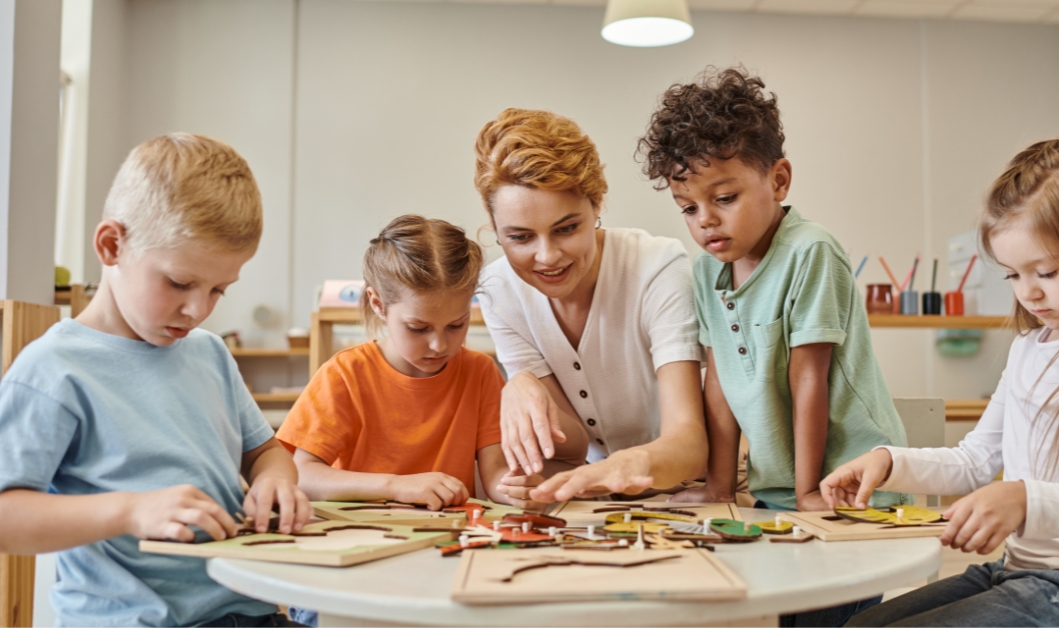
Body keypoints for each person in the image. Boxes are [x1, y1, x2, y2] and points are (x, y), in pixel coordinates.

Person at [824, 136, 1059, 628]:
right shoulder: (1028, 350)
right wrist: (889, 463)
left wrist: (1025, 500)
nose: (1028, 292)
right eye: (1012, 276)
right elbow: (976, 459)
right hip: (1022, 571)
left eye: (1045, 271)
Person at [0, 133, 310, 627]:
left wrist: (276, 482)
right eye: (179, 283)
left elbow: (264, 451)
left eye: (218, 291)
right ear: (111, 245)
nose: (198, 309)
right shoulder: (54, 369)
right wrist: (129, 511)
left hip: (247, 610)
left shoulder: (208, 352)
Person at [639, 67, 910, 627]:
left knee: (832, 620)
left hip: (845, 488)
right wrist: (718, 486)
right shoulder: (708, 274)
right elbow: (719, 388)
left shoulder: (810, 252)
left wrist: (809, 490)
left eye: (725, 197)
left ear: (779, 181)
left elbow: (807, 380)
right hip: (779, 491)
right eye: (689, 208)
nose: (706, 220)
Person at [473, 108, 707, 503]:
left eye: (566, 229)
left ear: (597, 204)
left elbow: (690, 446)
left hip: (686, 491)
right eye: (520, 237)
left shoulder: (657, 265)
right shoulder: (498, 288)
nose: (547, 256)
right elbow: (575, 444)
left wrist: (623, 465)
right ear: (496, 228)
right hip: (594, 493)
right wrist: (519, 383)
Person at [277, 215, 528, 511]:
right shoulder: (346, 373)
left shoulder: (480, 371)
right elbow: (300, 475)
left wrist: (522, 490)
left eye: (456, 325)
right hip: (363, 535)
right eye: (418, 328)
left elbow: (496, 474)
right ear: (378, 304)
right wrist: (396, 485)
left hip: (447, 537)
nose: (439, 345)